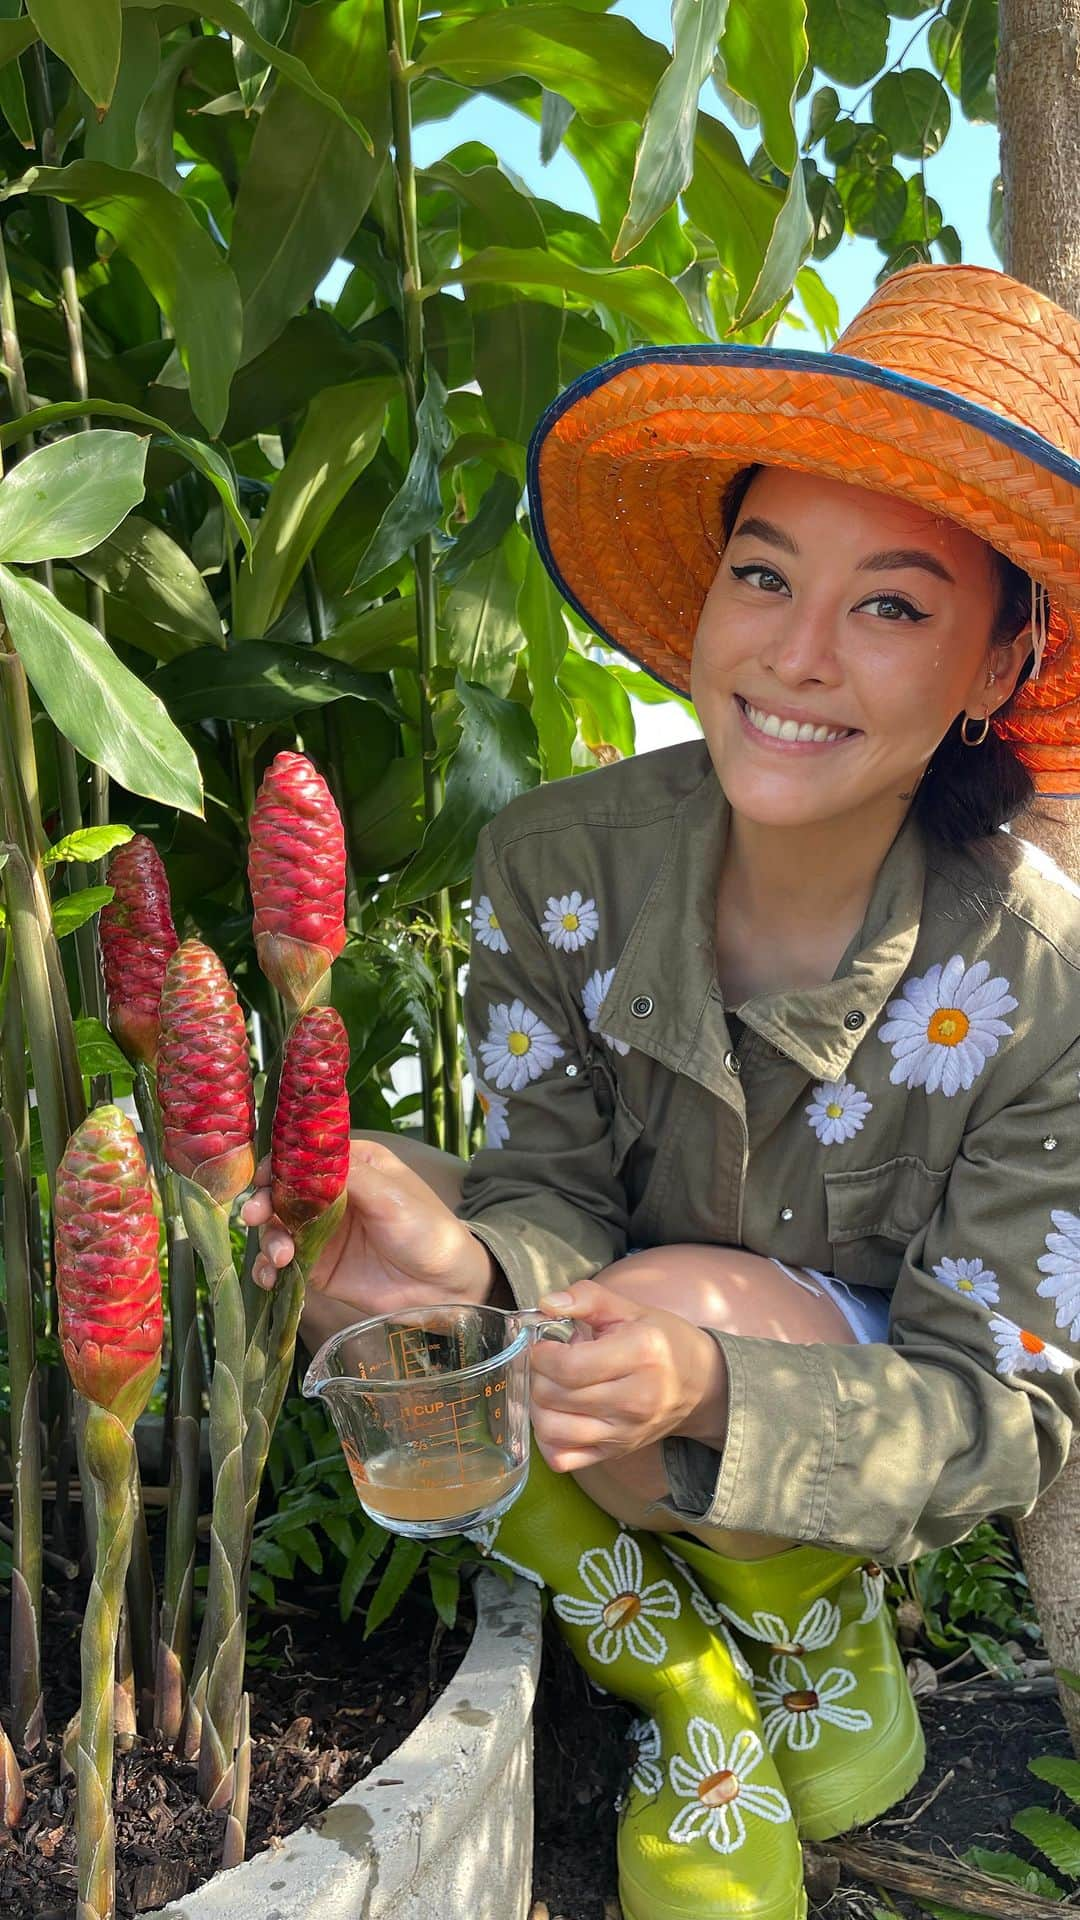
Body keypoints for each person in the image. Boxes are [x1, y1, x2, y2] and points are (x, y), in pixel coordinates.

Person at [245, 263, 1080, 1920]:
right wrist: (463, 1269)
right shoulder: (555, 862)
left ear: (998, 666)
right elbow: (543, 1180)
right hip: (606, 1352)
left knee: (662, 1300)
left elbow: (1008, 1414)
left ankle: (818, 1636)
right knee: (367, 1246)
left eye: (895, 606)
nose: (798, 652)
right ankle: (687, 1686)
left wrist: (710, 1379)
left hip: (824, 1424)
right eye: (762, 573)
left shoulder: (1042, 986)